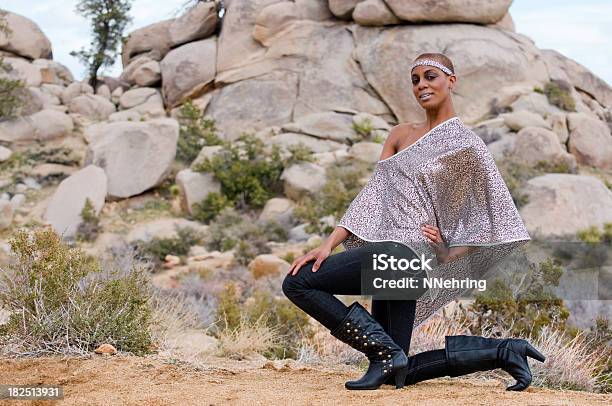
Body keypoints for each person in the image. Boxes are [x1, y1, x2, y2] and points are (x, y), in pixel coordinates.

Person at [282, 53, 546, 391]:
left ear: (451, 81)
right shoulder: (400, 134)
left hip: (409, 255)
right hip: (389, 252)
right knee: (397, 369)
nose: (422, 84)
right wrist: (328, 243)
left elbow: (492, 214)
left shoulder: (466, 145)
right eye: (416, 79)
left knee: (298, 283)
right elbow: (373, 196)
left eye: (430, 76)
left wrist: (450, 253)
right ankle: (505, 351)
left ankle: (382, 353)